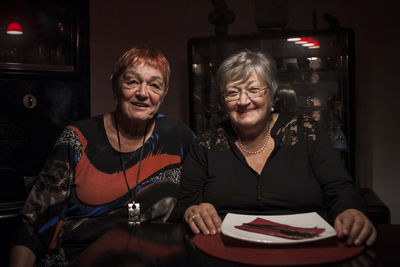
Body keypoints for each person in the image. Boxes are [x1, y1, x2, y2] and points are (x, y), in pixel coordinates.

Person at [9, 46, 194, 266]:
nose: (143, 93)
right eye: (132, 81)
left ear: (163, 93)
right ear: (115, 85)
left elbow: (208, 188)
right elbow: (32, 222)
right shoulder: (77, 139)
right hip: (77, 258)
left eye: (154, 85)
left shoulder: (178, 136)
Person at [175, 50, 376, 246]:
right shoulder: (205, 144)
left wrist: (351, 211)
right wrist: (193, 211)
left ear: (271, 95)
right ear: (223, 102)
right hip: (227, 249)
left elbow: (342, 190)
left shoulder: (306, 132)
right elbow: (184, 205)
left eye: (254, 90)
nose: (244, 101)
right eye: (233, 92)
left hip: (303, 248)